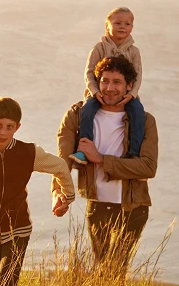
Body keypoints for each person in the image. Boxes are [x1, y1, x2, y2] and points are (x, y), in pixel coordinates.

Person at [57, 56, 158, 270]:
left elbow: (148, 167)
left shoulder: (145, 120)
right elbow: (62, 161)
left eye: (117, 82)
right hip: (97, 204)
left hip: (133, 206)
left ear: (129, 86)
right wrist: (58, 192)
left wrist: (101, 159)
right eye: (104, 81)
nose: (109, 88)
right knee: (103, 269)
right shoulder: (78, 116)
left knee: (116, 270)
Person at [0, 97, 75, 286]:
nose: (3, 132)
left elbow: (61, 167)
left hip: (18, 228)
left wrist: (67, 197)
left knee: (6, 285)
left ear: (17, 127)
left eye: (9, 126)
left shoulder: (28, 153)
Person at [70, 7, 145, 165]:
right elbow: (89, 73)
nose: (122, 26)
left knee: (138, 111)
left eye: (127, 23)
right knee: (87, 109)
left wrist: (131, 94)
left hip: (126, 94)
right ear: (107, 26)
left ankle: (134, 154)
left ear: (132, 27)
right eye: (117, 23)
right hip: (99, 93)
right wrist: (95, 92)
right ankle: (84, 150)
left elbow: (138, 76)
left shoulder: (134, 51)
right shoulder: (99, 48)